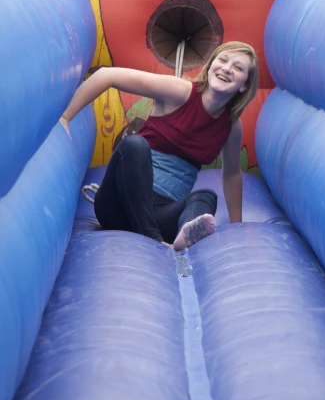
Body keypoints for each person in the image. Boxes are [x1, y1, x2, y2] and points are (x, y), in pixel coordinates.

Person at [59, 41, 259, 250]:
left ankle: (184, 237)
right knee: (135, 144)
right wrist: (65, 116)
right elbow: (106, 76)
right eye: (223, 60)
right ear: (210, 66)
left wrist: (237, 227)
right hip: (117, 207)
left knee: (206, 197)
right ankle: (153, 239)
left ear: (244, 85)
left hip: (161, 215)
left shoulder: (231, 126)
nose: (227, 69)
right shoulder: (180, 91)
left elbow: (232, 175)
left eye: (238, 68)